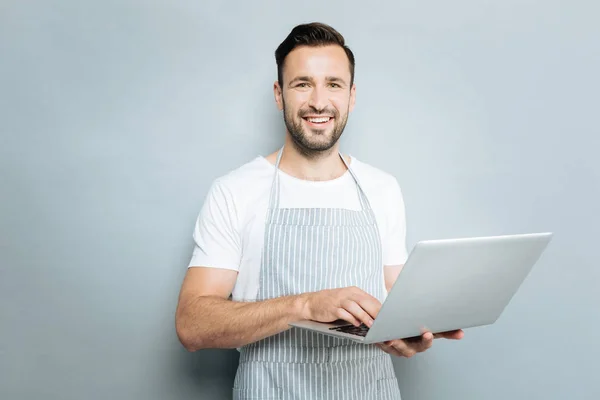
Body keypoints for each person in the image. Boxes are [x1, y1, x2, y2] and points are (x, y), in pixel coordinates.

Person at [175, 22, 464, 399]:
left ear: (351, 96)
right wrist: (305, 305)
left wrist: (411, 333)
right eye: (302, 84)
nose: (318, 101)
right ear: (279, 95)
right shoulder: (235, 191)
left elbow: (393, 303)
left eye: (333, 84)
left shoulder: (382, 188)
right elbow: (192, 324)